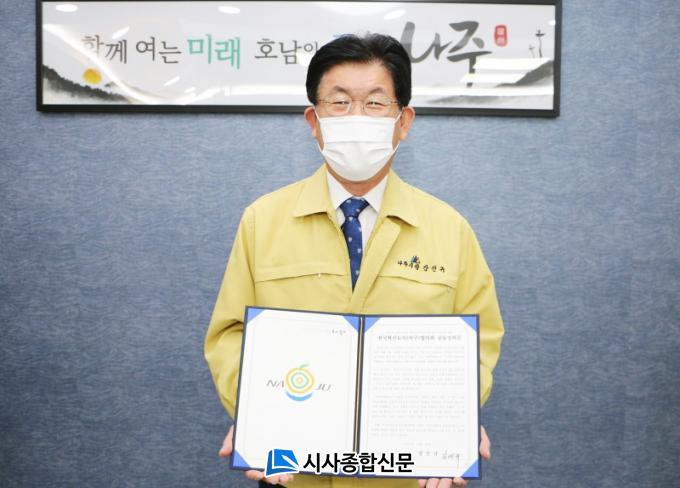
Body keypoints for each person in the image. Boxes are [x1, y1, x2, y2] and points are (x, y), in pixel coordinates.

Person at [205, 33, 504, 488]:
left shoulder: (450, 228)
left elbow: (479, 343)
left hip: (404, 477)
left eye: (376, 103)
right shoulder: (262, 221)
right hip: (293, 471)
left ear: (404, 121)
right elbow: (229, 336)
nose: (357, 117)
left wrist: (455, 418)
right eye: (340, 102)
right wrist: (255, 413)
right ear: (314, 120)